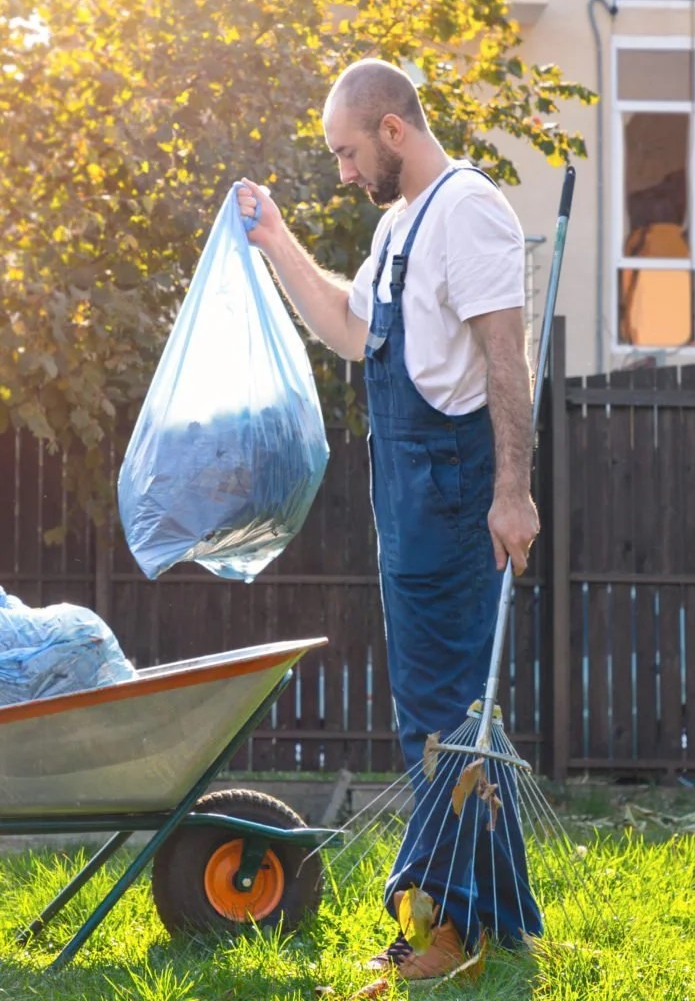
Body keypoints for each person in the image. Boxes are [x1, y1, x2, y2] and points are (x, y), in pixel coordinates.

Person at [234, 58, 544, 982]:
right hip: (407, 504)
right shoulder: (402, 226)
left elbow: (506, 358)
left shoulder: (468, 210)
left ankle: (444, 927)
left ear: (394, 130)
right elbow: (349, 326)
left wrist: (514, 490)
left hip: (455, 504)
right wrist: (277, 239)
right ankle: (503, 920)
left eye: (346, 151)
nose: (342, 172)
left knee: (447, 721)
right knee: (437, 715)